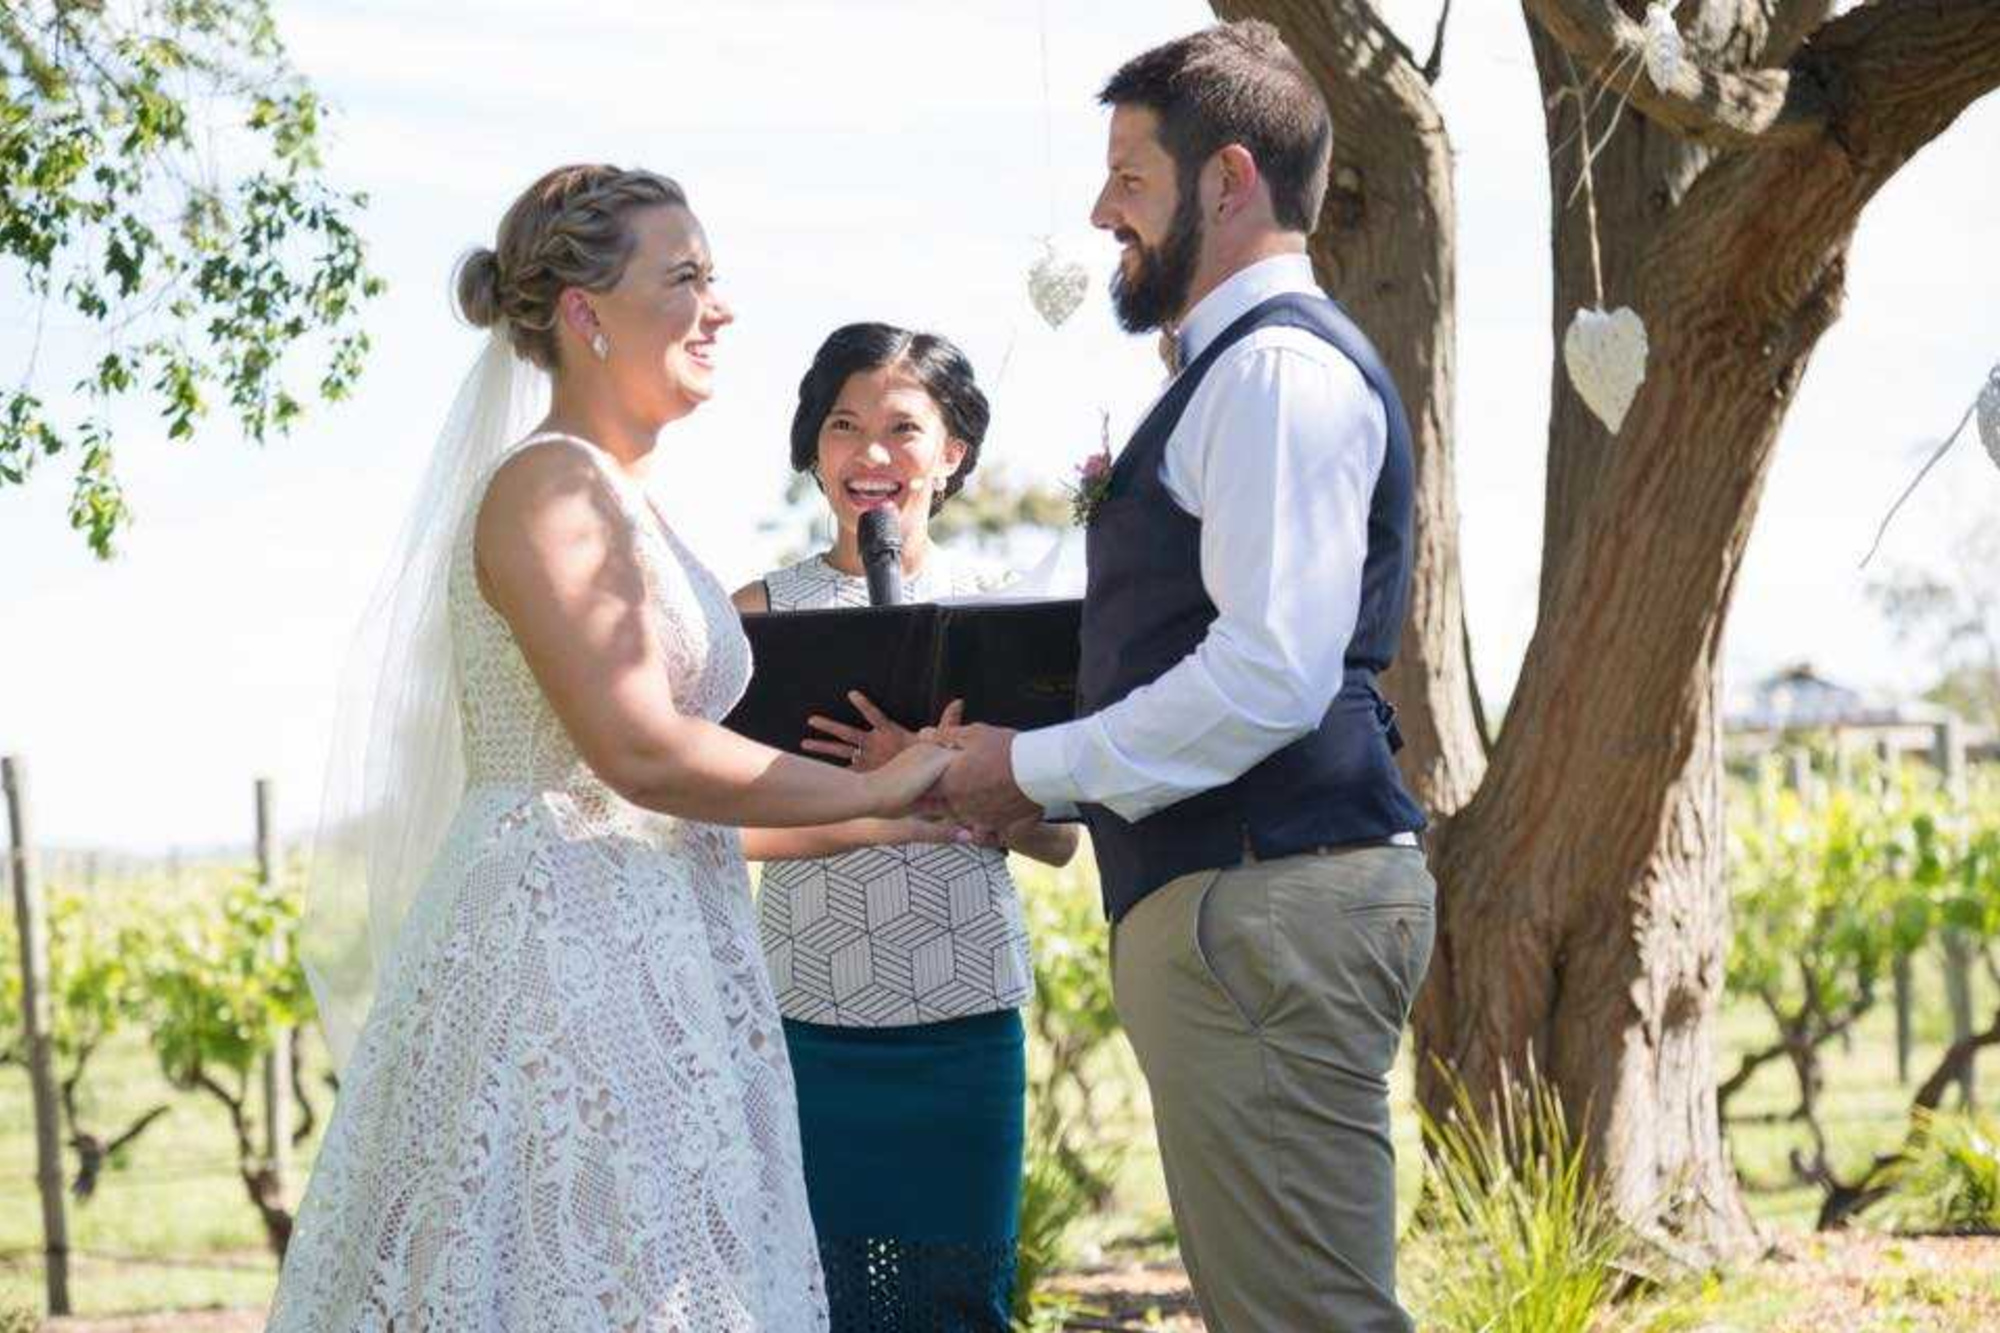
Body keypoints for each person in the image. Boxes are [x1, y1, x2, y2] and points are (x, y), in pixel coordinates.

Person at [270, 165, 952, 1332]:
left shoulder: (626, 503)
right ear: (585, 315)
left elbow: (683, 801)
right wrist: (877, 772)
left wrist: (899, 810)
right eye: (684, 277)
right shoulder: (549, 490)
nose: (720, 307)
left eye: (714, 276)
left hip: (662, 941)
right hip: (557, 959)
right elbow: (640, 753)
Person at [926, 23, 1436, 1333]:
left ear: (1226, 182)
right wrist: (1005, 767)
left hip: (1261, 904)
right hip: (1236, 904)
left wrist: (1032, 763)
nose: (1102, 211)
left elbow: (1269, 675)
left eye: (1130, 179)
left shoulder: (1277, 374)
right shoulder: (1233, 375)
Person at [733, 322, 1078, 1331]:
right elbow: (712, 826)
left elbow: (1057, 838)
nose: (869, 455)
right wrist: (876, 804)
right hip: (803, 1018)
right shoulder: (751, 618)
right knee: (817, 1303)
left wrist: (936, 783)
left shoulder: (1008, 612)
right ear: (813, 450)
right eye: (842, 426)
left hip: (964, 1018)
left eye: (901, 428)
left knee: (959, 1303)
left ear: (954, 453)